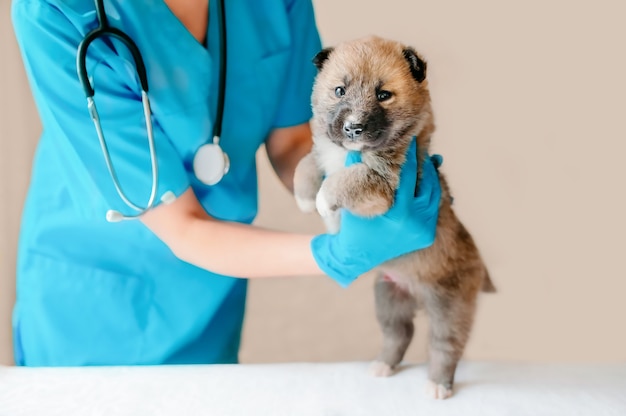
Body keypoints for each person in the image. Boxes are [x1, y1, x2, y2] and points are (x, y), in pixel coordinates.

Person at [11, 0, 441, 366]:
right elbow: (183, 228)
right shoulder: (54, 12)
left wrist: (362, 189)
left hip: (214, 294)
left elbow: (291, 141)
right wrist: (336, 255)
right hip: (90, 308)